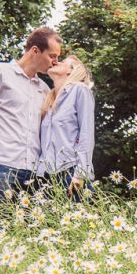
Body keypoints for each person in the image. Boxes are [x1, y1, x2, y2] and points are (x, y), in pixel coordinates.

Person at [0, 27, 62, 194]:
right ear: (35, 51)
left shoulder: (45, 89)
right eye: (52, 56)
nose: (56, 62)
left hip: (32, 173)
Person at [37, 55, 95, 200]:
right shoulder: (49, 100)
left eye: (62, 62)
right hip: (46, 177)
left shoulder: (80, 90)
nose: (56, 62)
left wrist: (80, 174)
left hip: (71, 173)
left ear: (71, 71)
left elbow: (86, 135)